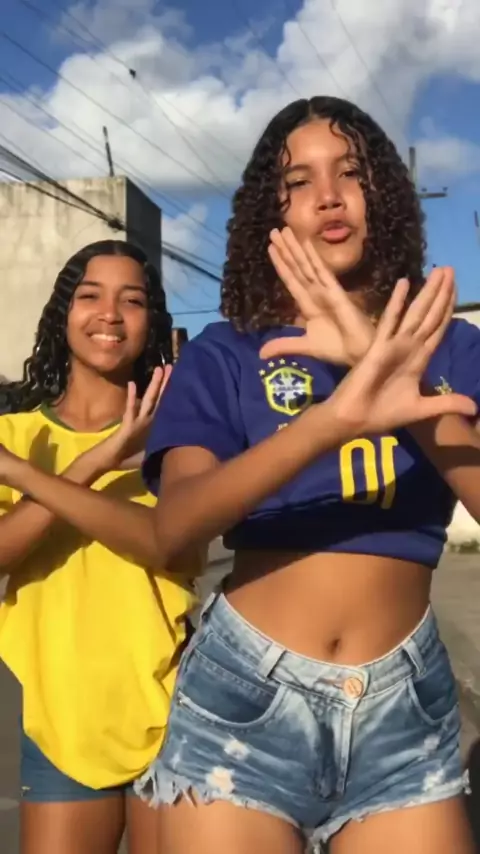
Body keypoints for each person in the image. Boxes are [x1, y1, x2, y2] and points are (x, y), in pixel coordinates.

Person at [134, 97, 480, 854]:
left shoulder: (447, 346)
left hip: (404, 715)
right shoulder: (227, 352)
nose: (328, 196)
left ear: (384, 193)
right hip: (244, 702)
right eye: (298, 182)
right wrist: (333, 419)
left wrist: (395, 377)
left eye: (351, 173)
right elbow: (172, 529)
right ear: (274, 211)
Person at [0, 240, 196, 854]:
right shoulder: (15, 435)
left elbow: (175, 549)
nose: (109, 314)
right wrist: (99, 461)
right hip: (62, 721)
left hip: (180, 714)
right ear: (63, 313)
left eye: (131, 300)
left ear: (152, 321)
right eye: (90, 296)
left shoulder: (180, 437)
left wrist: (30, 475)